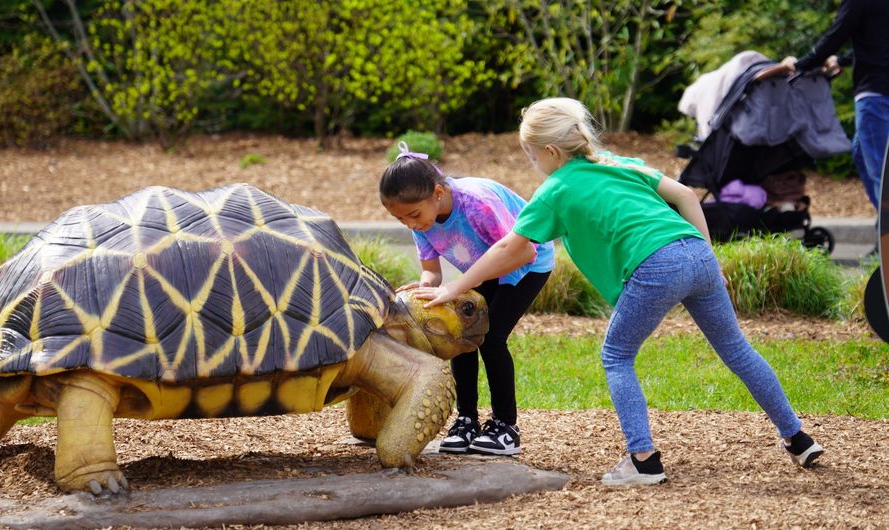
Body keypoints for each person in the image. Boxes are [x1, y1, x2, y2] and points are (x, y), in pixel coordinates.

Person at [412, 98, 825, 485]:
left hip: (655, 264)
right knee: (737, 349)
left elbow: (509, 248)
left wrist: (455, 288)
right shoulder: (618, 162)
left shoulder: (555, 190)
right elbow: (683, 195)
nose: (532, 163)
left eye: (531, 154)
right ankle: (798, 437)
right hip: (696, 252)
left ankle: (643, 461)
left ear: (552, 153)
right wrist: (707, 256)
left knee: (617, 355)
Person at [379, 141, 554, 456]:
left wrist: (457, 287)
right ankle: (466, 420)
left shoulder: (477, 204)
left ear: (437, 193)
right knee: (457, 332)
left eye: (413, 215)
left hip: (528, 264)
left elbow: (523, 251)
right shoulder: (422, 220)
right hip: (483, 270)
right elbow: (431, 273)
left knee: (492, 339)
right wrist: (421, 291)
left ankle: (505, 427)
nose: (411, 224)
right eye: (402, 219)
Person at [778, 0, 889, 217]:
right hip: (880, 92)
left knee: (880, 173)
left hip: (875, 94)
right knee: (861, 154)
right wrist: (841, 60)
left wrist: (800, 64)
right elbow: (877, 41)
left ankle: (886, 241)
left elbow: (836, 35)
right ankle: (882, 234)